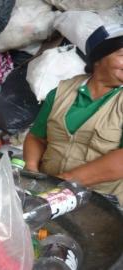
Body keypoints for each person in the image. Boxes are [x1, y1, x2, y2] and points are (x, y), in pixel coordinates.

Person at [23, 24, 123, 206]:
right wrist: (31, 170)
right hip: (49, 194)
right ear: (98, 58)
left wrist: (63, 182)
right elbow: (37, 137)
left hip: (100, 204)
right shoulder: (62, 91)